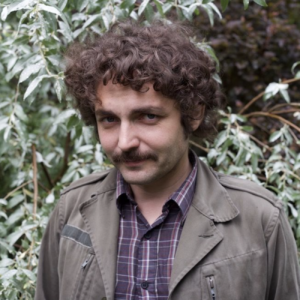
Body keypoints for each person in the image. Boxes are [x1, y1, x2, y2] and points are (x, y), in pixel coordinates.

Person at [35, 21, 300, 300]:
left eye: (148, 117)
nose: (125, 142)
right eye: (109, 119)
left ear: (193, 114)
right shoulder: (71, 209)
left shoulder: (259, 219)